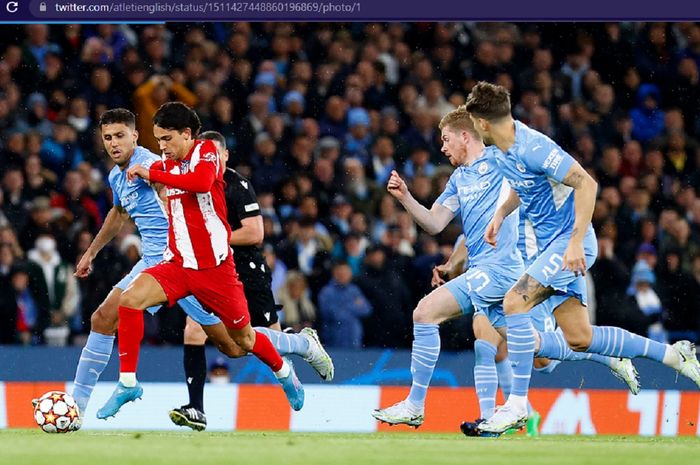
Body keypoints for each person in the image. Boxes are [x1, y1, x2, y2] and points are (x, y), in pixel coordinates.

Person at [372, 106, 637, 431]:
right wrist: (405, 197)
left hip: (508, 269)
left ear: (464, 136)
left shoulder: (501, 163)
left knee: (427, 314)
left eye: (446, 139)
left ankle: (430, 407)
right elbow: (435, 223)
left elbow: (542, 178)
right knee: (541, 354)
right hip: (486, 269)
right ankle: (606, 355)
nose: (442, 147)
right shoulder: (459, 178)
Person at [465, 81, 700, 434]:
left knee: (514, 302)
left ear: (482, 122)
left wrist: (575, 242)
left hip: (567, 245)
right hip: (552, 248)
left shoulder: (534, 146)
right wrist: (500, 214)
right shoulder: (501, 150)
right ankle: (674, 355)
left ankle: (515, 407)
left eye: (472, 123)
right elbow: (522, 184)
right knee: (579, 338)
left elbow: (586, 183)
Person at [97, 103, 305, 418]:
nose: (162, 147)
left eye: (167, 139)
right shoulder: (167, 161)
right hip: (178, 265)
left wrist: (151, 172)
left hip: (215, 271)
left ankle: (284, 373)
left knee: (244, 341)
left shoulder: (206, 151)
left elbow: (201, 183)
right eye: (158, 140)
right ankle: (128, 382)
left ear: (187, 134)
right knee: (130, 301)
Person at [169, 131, 333, 431]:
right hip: (210, 271)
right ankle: (196, 408)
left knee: (254, 342)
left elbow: (255, 233)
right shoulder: (192, 184)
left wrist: (211, 238)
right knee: (194, 329)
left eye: (216, 154)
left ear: (226, 155)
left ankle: (302, 344)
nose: (210, 160)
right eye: (205, 156)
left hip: (246, 270)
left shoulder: (236, 185)